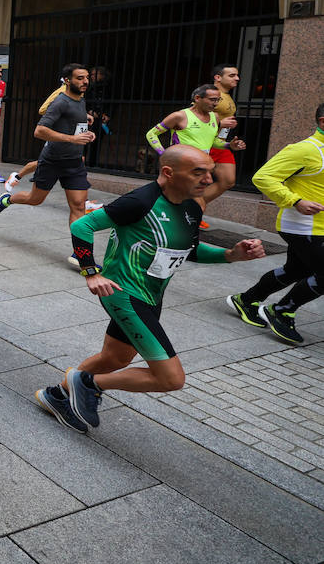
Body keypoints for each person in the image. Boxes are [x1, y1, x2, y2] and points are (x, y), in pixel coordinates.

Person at [40, 145, 265, 433]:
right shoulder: (140, 201)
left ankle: (58, 396)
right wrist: (91, 272)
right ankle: (87, 384)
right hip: (124, 294)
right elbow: (82, 226)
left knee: (115, 358)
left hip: (151, 295)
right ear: (168, 173)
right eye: (198, 172)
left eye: (210, 172)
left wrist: (230, 254)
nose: (208, 180)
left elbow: (189, 249)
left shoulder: (192, 205)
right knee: (171, 379)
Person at [227, 102, 324, 345]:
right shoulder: (306, 149)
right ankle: (281, 311)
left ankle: (246, 300)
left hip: (318, 227)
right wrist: (295, 200)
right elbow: (263, 177)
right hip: (302, 227)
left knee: (296, 270)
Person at [0, 63, 95, 240]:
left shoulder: (81, 99)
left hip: (74, 160)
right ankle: (6, 200)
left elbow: (73, 122)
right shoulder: (60, 101)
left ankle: (80, 254)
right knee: (35, 199)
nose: (85, 82)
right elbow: (39, 131)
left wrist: (85, 128)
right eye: (80, 78)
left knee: (78, 206)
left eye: (87, 78)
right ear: (68, 81)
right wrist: (72, 139)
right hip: (53, 160)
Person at [144, 84, 239, 227]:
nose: (215, 103)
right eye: (212, 99)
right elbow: (152, 134)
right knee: (188, 201)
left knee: (190, 202)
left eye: (218, 100)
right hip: (180, 165)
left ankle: (178, 228)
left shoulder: (215, 117)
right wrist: (164, 153)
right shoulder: (180, 116)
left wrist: (228, 145)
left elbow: (213, 141)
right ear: (198, 98)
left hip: (200, 168)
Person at [203, 64, 248, 216]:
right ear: (217, 77)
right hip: (204, 145)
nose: (237, 78)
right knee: (194, 182)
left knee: (228, 181)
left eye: (237, 75)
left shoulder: (227, 96)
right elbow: (195, 117)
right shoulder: (208, 94)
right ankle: (191, 210)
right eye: (232, 75)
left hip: (220, 144)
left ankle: (195, 206)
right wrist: (221, 124)